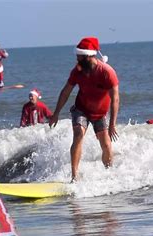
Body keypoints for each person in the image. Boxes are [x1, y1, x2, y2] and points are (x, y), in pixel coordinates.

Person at [49, 37, 120, 182]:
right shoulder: (78, 71)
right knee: (78, 135)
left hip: (100, 114)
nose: (77, 59)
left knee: (106, 145)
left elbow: (115, 99)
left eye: (79, 56)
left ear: (88, 56)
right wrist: (55, 113)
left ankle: (110, 175)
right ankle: (74, 177)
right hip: (81, 110)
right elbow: (66, 92)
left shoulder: (107, 72)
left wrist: (112, 123)